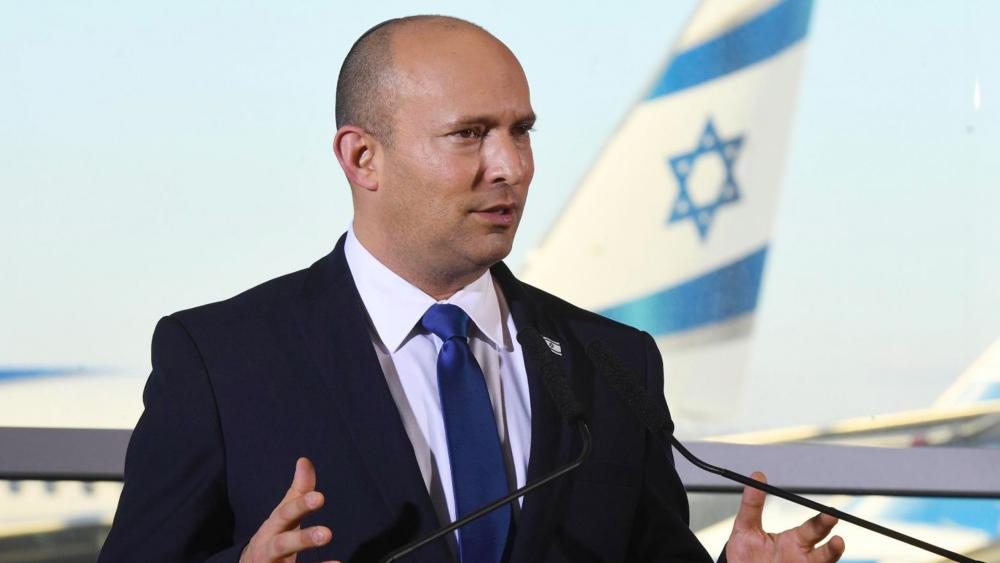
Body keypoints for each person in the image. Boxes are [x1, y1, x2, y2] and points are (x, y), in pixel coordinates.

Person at [98, 15, 845, 563]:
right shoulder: (221, 359)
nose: (511, 166)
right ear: (362, 158)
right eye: (470, 134)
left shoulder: (613, 362)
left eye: (522, 131)